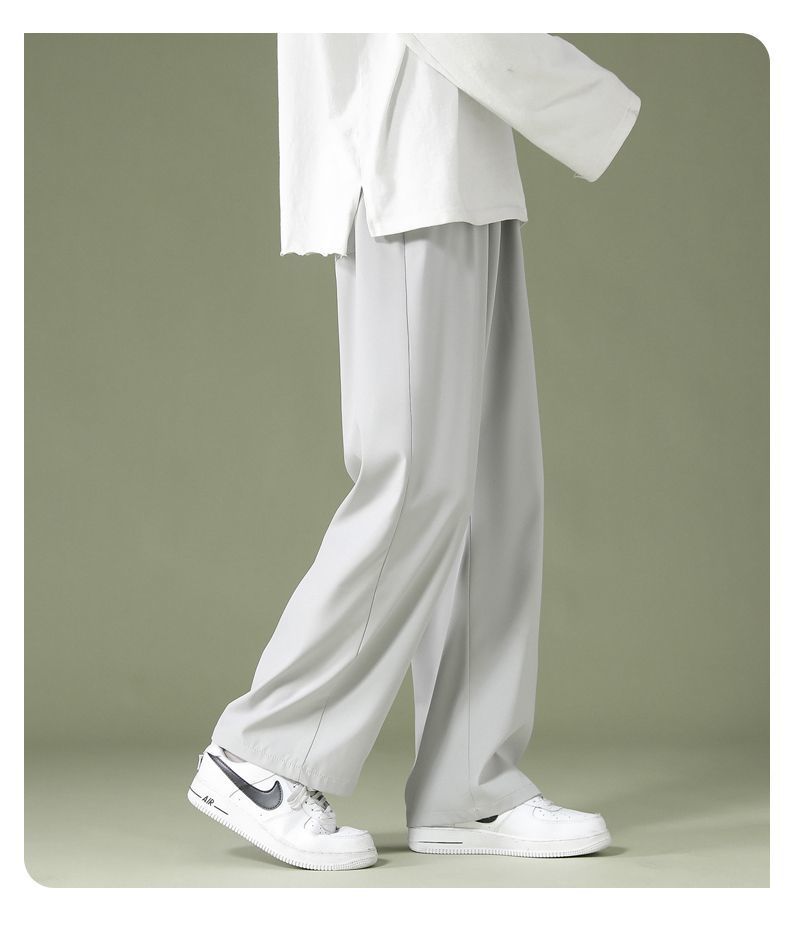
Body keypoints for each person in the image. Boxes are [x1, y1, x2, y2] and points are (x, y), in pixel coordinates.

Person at [187, 32, 641, 871]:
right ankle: (262, 753)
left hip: (465, 165)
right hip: (403, 160)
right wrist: (597, 103)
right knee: (414, 483)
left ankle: (469, 786)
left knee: (494, 492)